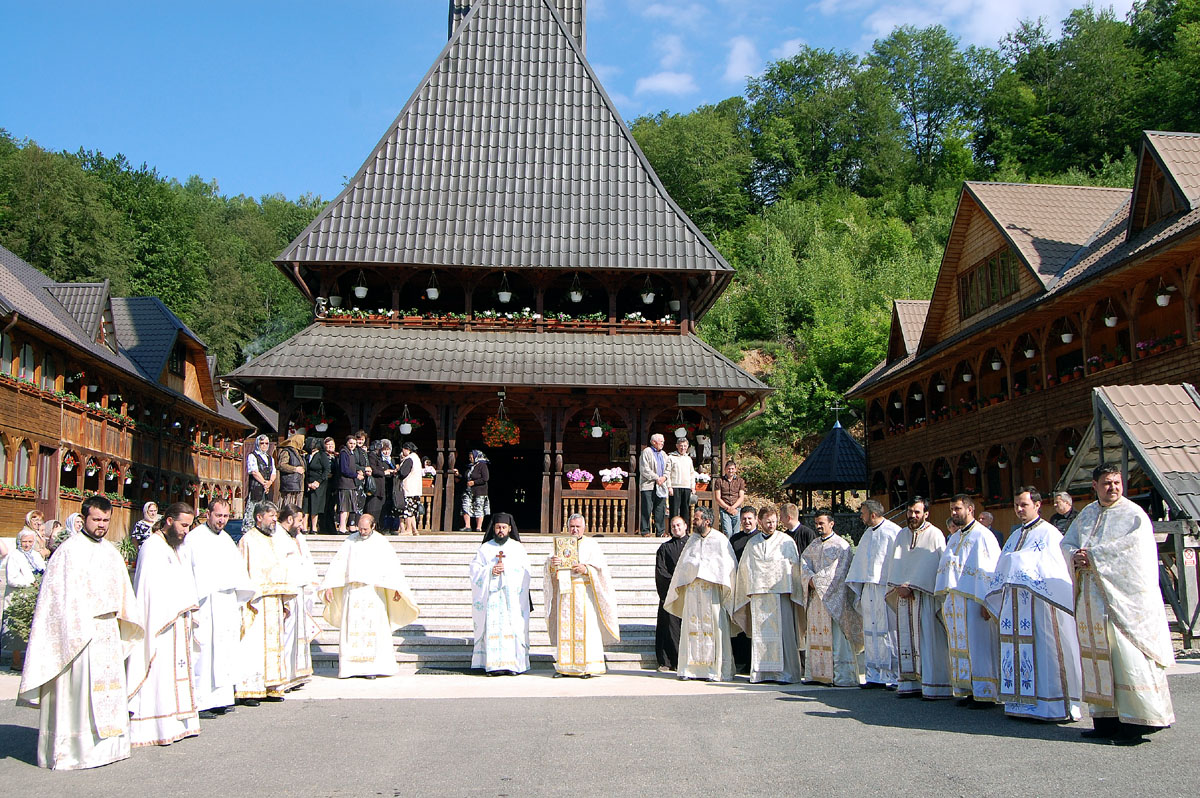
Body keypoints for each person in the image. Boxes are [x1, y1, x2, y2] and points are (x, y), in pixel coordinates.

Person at [17, 495, 145, 770]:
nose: (101, 525)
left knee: (108, 691)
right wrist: (78, 626)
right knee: (77, 695)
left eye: (105, 520)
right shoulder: (68, 551)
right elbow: (56, 599)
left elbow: (122, 592)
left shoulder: (110, 551)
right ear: (84, 518)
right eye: (96, 519)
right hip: (79, 633)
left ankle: (109, 748)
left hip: (107, 631)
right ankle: (75, 751)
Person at [1062, 464, 1175, 744]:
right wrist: (1074, 555)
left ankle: (1135, 725)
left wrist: (1094, 558)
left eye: (1116, 482)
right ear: (1095, 486)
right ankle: (1106, 721)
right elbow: (1067, 543)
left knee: (1126, 659)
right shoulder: (1087, 514)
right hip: (1091, 601)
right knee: (1098, 659)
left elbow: (1134, 554)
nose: (1112, 487)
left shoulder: (1133, 515)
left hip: (1122, 605)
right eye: (1106, 483)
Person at [984, 487, 1082, 722]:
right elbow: (1002, 568)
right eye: (1016, 505)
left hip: (1041, 606)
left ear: (1037, 506)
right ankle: (1019, 703)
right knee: (1016, 651)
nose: (1019, 509)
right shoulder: (1014, 536)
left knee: (1045, 653)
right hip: (1015, 606)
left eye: (1024, 505)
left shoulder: (1050, 534)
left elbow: (1056, 570)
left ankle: (1052, 706)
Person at [126, 503, 200, 747]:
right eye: (183, 525)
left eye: (189, 526)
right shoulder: (152, 547)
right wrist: (175, 608)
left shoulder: (176, 546)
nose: (186, 531)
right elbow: (148, 591)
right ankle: (154, 727)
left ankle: (176, 723)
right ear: (168, 520)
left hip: (177, 622)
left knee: (174, 673)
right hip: (159, 623)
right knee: (159, 674)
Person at [178, 497, 254, 719]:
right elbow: (188, 572)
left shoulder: (227, 539)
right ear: (208, 514)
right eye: (218, 515)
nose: (222, 520)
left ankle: (221, 698)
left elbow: (238, 571)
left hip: (226, 602)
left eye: (225, 516)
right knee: (205, 652)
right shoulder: (194, 539)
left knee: (225, 651)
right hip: (205, 603)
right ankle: (201, 702)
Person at [321, 513, 419, 679]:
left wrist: (397, 588)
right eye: (360, 528)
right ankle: (351, 668)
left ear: (373, 526)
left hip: (373, 593)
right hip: (353, 592)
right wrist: (329, 585)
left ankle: (373, 667)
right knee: (352, 629)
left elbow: (392, 566)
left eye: (365, 528)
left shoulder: (381, 542)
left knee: (374, 629)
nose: (362, 531)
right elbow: (338, 564)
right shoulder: (350, 541)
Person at [936, 493, 1002, 706]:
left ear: (970, 509)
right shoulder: (954, 537)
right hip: (956, 602)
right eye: (952, 510)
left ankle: (985, 692)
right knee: (961, 647)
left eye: (957, 509)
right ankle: (969, 689)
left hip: (975, 601)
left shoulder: (983, 536)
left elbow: (992, 571)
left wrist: (988, 602)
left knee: (979, 646)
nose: (954, 513)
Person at [663, 507, 738, 681]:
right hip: (693, 592)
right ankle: (689, 670)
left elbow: (728, 566)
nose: (694, 521)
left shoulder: (720, 540)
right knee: (691, 630)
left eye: (696, 519)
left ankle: (715, 670)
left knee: (714, 630)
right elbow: (684, 565)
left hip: (712, 594)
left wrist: (711, 574)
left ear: (707, 521)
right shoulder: (692, 541)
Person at [732, 504, 805, 683]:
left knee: (784, 636)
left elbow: (794, 568)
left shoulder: (786, 541)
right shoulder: (752, 543)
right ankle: (763, 673)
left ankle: (786, 674)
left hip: (782, 596)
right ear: (760, 521)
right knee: (761, 637)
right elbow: (745, 569)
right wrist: (746, 592)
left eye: (774, 522)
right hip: (759, 596)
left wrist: (794, 590)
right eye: (768, 522)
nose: (771, 525)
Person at [236, 501, 299, 703]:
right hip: (255, 603)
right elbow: (242, 573)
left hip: (274, 601)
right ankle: (250, 689)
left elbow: (283, 570)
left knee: (273, 646)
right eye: (271, 516)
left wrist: (284, 601)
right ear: (259, 517)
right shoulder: (248, 540)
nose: (274, 520)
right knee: (254, 646)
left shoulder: (274, 541)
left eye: (275, 516)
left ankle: (271, 686)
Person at [886, 497, 949, 699]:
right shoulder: (901, 535)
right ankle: (909, 683)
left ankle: (932, 685)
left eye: (917, 512)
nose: (913, 516)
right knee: (906, 639)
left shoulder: (935, 534)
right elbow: (895, 563)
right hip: (904, 597)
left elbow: (936, 565)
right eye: (910, 511)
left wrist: (913, 584)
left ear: (926, 513)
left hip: (925, 596)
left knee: (927, 640)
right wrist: (899, 585)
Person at [545, 513, 620, 677]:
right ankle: (565, 667)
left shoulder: (591, 544)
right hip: (565, 593)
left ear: (584, 528)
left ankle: (588, 666)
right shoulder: (561, 544)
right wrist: (552, 564)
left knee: (586, 629)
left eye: (578, 527)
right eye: (572, 526)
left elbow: (602, 570)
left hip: (584, 593)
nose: (574, 530)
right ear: (567, 527)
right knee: (566, 629)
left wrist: (586, 569)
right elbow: (550, 567)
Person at [799, 512, 864, 686]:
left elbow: (838, 571)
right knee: (815, 635)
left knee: (836, 637)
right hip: (815, 599)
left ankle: (840, 676)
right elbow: (803, 564)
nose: (818, 526)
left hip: (832, 598)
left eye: (821, 523)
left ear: (832, 524)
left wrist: (816, 581)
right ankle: (816, 675)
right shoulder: (813, 545)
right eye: (816, 523)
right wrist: (808, 579)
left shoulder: (841, 546)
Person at [468, 512, 531, 675]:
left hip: (512, 598)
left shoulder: (517, 548)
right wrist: (490, 570)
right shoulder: (485, 548)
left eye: (504, 527)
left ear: (510, 528)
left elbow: (526, 571)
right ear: (493, 529)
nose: (501, 530)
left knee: (512, 628)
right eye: (498, 527)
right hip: (492, 599)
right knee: (492, 630)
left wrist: (507, 569)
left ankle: (513, 666)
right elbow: (475, 570)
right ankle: (492, 665)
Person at [846, 499, 900, 688]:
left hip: (885, 587)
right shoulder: (868, 533)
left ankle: (892, 675)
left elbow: (897, 561)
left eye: (863, 513)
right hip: (869, 587)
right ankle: (874, 675)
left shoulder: (893, 532)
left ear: (873, 514)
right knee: (870, 631)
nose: (861, 516)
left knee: (887, 630)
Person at [278, 505, 317, 690]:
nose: (302, 524)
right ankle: (284, 675)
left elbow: (306, 561)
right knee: (286, 635)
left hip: (300, 591)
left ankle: (295, 674)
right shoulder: (278, 537)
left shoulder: (297, 537)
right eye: (300, 520)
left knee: (297, 636)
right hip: (288, 593)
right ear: (290, 519)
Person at [653, 515, 689, 672]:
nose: (676, 528)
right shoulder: (664, 548)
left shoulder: (693, 545)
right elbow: (661, 571)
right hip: (672, 592)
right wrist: (675, 584)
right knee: (669, 626)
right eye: (673, 526)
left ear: (685, 526)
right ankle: (668, 661)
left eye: (679, 525)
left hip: (690, 592)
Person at [3, 529, 45, 656]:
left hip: (33, 596)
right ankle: (16, 661)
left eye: (30, 541)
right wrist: (30, 583)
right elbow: (11, 579)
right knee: (16, 631)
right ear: (19, 542)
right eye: (24, 541)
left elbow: (43, 570)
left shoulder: (36, 556)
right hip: (18, 597)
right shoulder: (14, 555)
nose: (27, 544)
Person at [728, 505, 758, 673]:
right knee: (739, 624)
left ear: (756, 520)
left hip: (754, 588)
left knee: (752, 628)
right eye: (744, 519)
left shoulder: (760, 538)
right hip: (738, 587)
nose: (747, 522)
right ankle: (740, 660)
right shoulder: (734, 539)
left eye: (749, 519)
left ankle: (752, 661)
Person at [638, 433, 669, 536]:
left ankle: (660, 531)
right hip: (648, 485)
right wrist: (656, 478)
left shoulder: (664, 454)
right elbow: (644, 469)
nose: (662, 443)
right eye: (661, 441)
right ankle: (645, 531)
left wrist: (664, 477)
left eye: (663, 441)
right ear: (654, 442)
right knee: (647, 508)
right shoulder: (646, 452)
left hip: (661, 485)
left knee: (660, 508)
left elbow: (668, 468)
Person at [245, 434, 277, 526]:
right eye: (262, 443)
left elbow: (273, 472)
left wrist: (270, 483)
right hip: (256, 487)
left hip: (268, 488)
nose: (264, 445)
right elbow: (254, 471)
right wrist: (264, 483)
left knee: (267, 508)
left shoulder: (270, 458)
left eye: (266, 443)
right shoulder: (252, 456)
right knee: (254, 509)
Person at [304, 437, 335, 533]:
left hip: (319, 484)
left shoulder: (322, 455)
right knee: (306, 505)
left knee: (315, 505)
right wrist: (308, 483)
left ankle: (314, 527)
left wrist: (318, 482)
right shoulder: (307, 456)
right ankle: (304, 527)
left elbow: (326, 470)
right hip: (308, 483)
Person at [666, 437, 696, 529]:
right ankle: (673, 531)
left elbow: (692, 474)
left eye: (685, 446)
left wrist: (693, 486)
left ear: (687, 447)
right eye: (681, 446)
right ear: (677, 446)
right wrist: (669, 486)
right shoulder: (671, 457)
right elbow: (667, 473)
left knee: (685, 510)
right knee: (674, 510)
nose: (683, 448)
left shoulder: (688, 459)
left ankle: (684, 531)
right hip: (675, 487)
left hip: (686, 487)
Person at [336, 434, 363, 533]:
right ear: (346, 443)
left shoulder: (351, 453)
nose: (352, 445)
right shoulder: (344, 453)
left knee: (351, 507)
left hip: (351, 483)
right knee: (344, 507)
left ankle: (348, 526)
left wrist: (358, 472)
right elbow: (344, 469)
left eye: (354, 444)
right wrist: (356, 475)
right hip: (345, 483)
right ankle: (342, 527)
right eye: (350, 443)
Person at [711, 460, 746, 537]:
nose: (730, 471)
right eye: (729, 469)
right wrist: (728, 508)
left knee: (736, 533)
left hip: (736, 509)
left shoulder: (740, 481)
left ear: (735, 470)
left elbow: (741, 497)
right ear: (725, 469)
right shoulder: (719, 481)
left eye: (732, 469)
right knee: (728, 532)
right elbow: (718, 498)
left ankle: (735, 548)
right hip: (724, 509)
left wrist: (733, 508)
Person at [459, 449, 490, 533]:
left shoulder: (482, 465)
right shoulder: (470, 467)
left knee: (478, 508)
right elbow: (466, 477)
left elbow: (485, 478)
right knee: (465, 506)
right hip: (468, 491)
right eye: (469, 457)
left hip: (479, 491)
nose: (470, 459)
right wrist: (458, 475)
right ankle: (467, 526)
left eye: (471, 457)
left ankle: (478, 527)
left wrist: (474, 482)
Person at [397, 441, 424, 535]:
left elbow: (403, 473)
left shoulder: (409, 459)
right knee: (413, 510)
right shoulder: (417, 458)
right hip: (416, 489)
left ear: (407, 449)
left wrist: (397, 470)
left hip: (409, 488)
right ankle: (414, 529)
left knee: (408, 510)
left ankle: (408, 529)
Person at [276, 432, 307, 510]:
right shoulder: (287, 451)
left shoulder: (299, 453)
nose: (303, 444)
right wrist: (295, 469)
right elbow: (281, 465)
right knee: (289, 506)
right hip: (290, 486)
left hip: (298, 485)